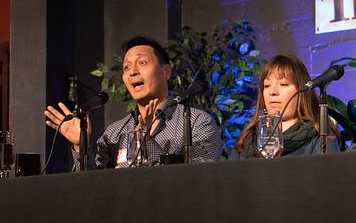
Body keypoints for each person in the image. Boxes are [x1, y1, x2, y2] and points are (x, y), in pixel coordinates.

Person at [44, 36, 223, 167]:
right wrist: (81, 146)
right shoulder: (115, 133)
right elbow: (92, 185)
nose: (132, 71)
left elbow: (196, 180)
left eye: (142, 63)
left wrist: (146, 141)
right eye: (127, 67)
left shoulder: (197, 122)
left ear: (166, 72)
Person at [230, 54, 341, 158]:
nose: (272, 92)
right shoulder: (247, 137)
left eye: (283, 84)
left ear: (302, 91)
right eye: (267, 86)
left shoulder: (321, 136)